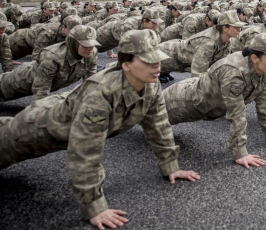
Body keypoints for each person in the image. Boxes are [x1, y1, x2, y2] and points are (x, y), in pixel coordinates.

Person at [0, 29, 199, 229]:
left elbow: (158, 124)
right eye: (148, 61)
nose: (157, 65)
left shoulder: (150, 84)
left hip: (65, 112)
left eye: (157, 59)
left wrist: (171, 166)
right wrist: (95, 207)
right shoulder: (101, 93)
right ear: (126, 65)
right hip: (38, 129)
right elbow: (85, 150)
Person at [163, 34, 266, 168]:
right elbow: (237, 113)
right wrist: (240, 153)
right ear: (254, 58)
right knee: (148, 120)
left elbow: (265, 102)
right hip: (180, 103)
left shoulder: (263, 70)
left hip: (199, 101)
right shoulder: (234, 72)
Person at [0, 25, 98, 102]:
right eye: (85, 45)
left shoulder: (91, 54)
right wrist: (41, 117)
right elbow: (41, 90)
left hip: (40, 84)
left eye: (92, 44)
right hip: (16, 82)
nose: (90, 48)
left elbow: (90, 83)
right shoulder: (53, 57)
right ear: (74, 43)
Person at [157, 11, 245, 82]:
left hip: (180, 60)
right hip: (168, 54)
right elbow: (197, 74)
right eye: (236, 27)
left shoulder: (227, 40)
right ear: (225, 28)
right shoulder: (209, 42)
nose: (239, 30)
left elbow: (220, 65)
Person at [9, 15, 82, 60]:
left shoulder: (69, 33)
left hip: (30, 45)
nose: (74, 33)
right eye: (72, 30)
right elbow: (36, 55)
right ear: (63, 27)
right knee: (5, 57)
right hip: (19, 40)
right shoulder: (47, 33)